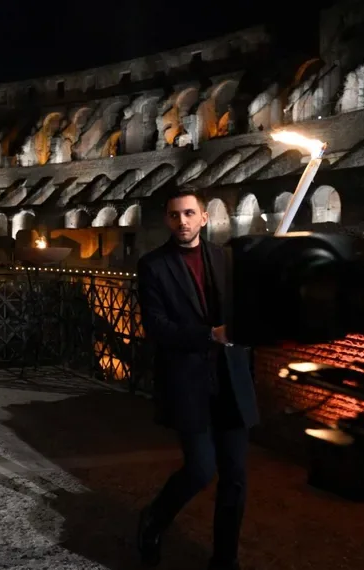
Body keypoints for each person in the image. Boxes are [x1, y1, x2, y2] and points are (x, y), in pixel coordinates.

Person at [135, 189, 259, 570]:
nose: (182, 221)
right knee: (201, 469)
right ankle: (154, 519)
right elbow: (157, 327)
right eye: (175, 215)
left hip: (231, 379)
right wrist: (209, 335)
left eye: (190, 213)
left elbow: (245, 308)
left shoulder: (226, 258)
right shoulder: (153, 265)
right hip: (188, 382)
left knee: (235, 476)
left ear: (204, 218)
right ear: (167, 220)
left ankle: (225, 559)